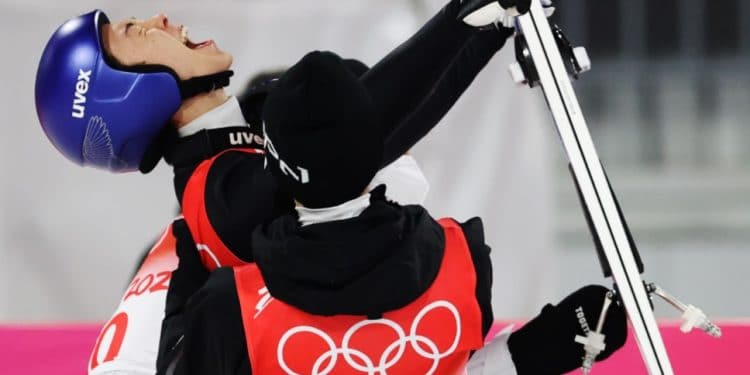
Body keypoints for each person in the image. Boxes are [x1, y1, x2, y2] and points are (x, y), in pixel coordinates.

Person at [172, 51, 628, 374]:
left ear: (269, 162)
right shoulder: (461, 259)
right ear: (384, 145)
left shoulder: (227, 303)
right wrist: (539, 349)